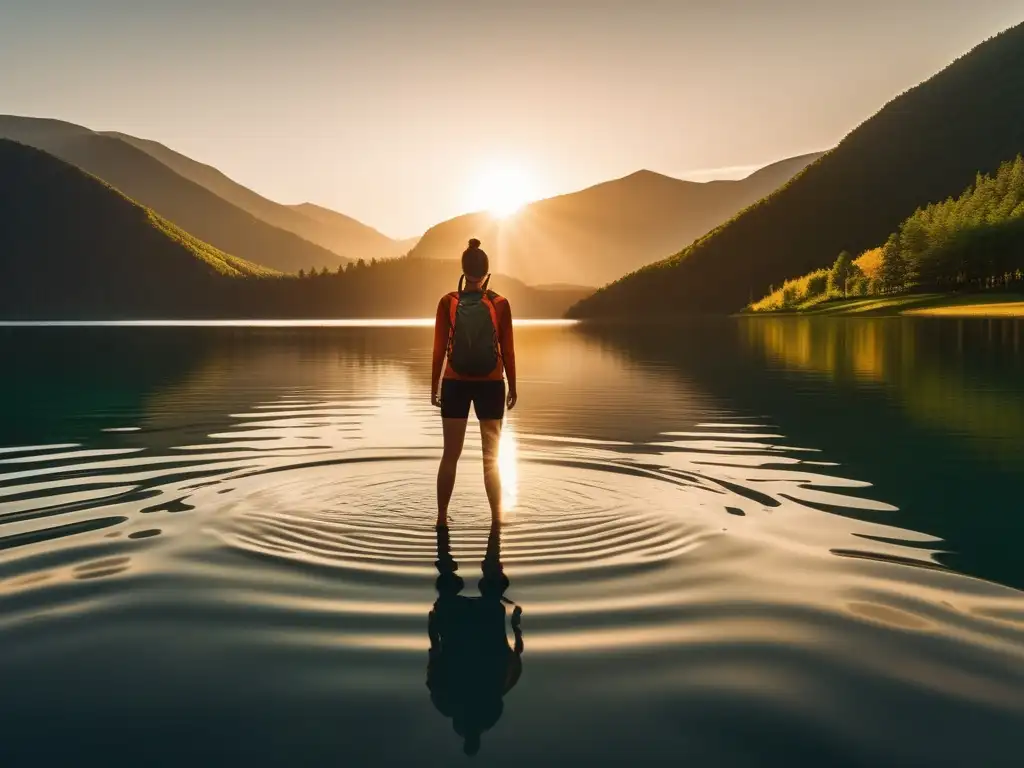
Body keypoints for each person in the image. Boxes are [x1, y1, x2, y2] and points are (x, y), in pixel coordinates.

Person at [431, 238, 517, 527]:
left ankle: (442, 519)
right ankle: (496, 519)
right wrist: (513, 386)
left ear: (463, 269)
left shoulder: (447, 302)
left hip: (454, 383)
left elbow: (438, 349)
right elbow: (508, 350)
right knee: (491, 458)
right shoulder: (500, 304)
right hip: (491, 385)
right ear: (487, 271)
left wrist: (434, 387)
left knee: (450, 456)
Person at [427, 521, 524, 756]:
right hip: (470, 617)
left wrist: (515, 626)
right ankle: (491, 533)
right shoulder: (454, 701)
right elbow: (435, 651)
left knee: (460, 584)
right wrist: (514, 625)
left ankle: (481, 535)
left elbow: (435, 651)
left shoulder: (449, 701)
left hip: (471, 617)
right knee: (453, 582)